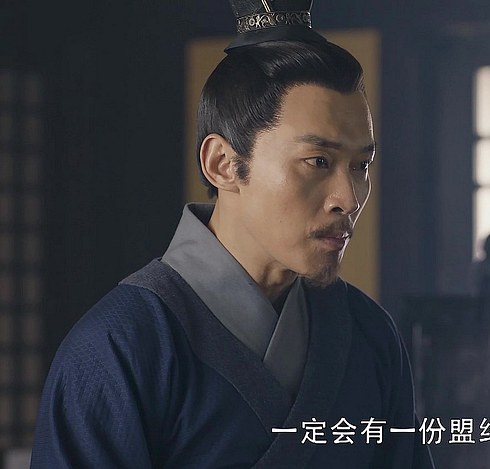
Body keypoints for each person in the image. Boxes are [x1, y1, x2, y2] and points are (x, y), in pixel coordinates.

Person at [30, 1, 435, 467]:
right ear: (222, 164)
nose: (349, 197)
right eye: (318, 161)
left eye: (361, 165)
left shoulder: (369, 334)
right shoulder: (119, 347)